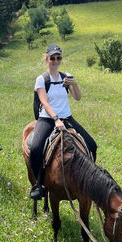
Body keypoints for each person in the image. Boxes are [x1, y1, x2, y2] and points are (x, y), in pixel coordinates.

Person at [29, 43, 97, 200]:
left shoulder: (66, 76)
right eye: (52, 58)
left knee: (92, 145)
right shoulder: (41, 79)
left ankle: (88, 177)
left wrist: (74, 84)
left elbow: (78, 97)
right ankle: (39, 184)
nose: (55, 60)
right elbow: (44, 102)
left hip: (67, 118)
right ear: (47, 59)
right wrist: (56, 119)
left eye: (58, 58)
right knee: (36, 149)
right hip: (47, 118)